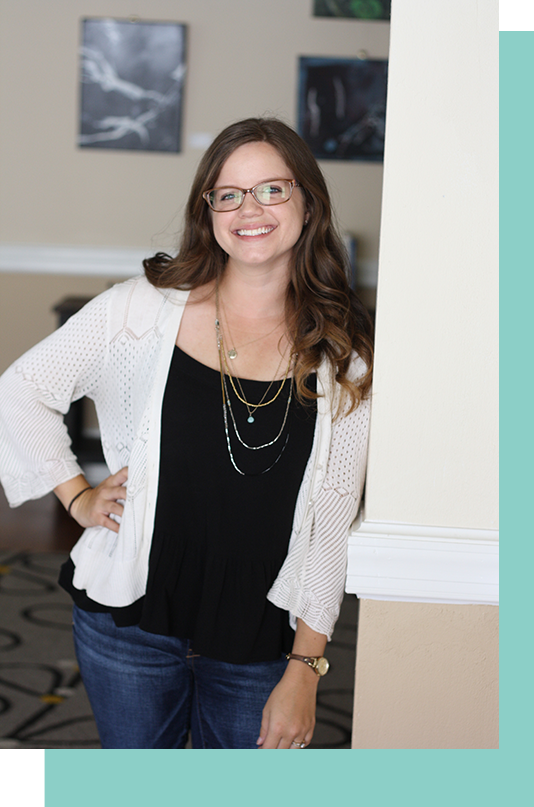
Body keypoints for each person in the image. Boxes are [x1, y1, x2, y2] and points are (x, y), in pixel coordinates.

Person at [0, 117, 373, 749]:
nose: (249, 209)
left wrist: (305, 669)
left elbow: (331, 524)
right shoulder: (140, 309)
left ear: (309, 203)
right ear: (209, 211)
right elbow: (21, 390)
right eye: (229, 194)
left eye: (272, 189)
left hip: (263, 638)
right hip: (130, 623)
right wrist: (76, 496)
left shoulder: (345, 358)